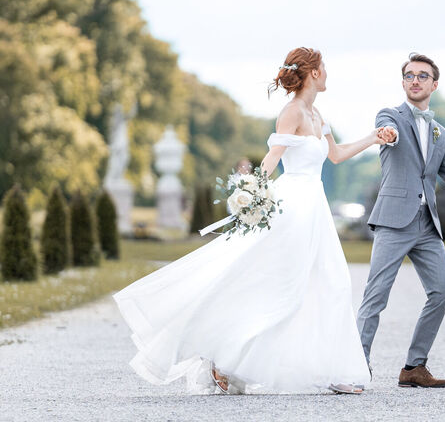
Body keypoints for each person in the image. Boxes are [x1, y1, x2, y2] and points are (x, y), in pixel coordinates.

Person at [114, 47, 382, 395]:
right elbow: (272, 158)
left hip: (314, 207)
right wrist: (252, 195)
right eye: (325, 67)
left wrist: (373, 138)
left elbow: (336, 155)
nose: (328, 73)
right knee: (279, 285)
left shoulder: (318, 115)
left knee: (333, 282)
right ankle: (222, 355)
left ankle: (332, 370)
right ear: (313, 72)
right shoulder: (291, 113)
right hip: (292, 207)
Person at [357, 52, 445, 389]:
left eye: (422, 76)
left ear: (434, 84)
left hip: (426, 225)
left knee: (442, 292)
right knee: (376, 295)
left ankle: (415, 366)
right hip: (393, 220)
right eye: (409, 75)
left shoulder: (440, 133)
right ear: (403, 82)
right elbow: (387, 131)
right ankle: (356, 364)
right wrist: (386, 134)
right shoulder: (391, 116)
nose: (415, 80)